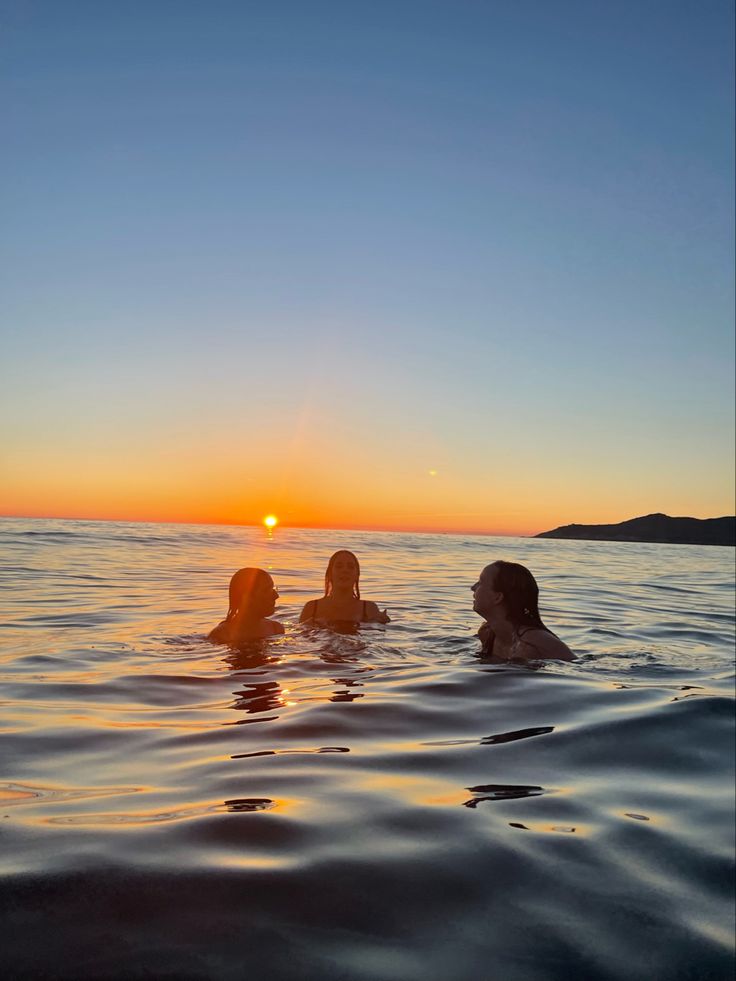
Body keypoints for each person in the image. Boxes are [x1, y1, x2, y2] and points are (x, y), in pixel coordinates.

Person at [471, 560, 573, 662]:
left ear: (497, 597)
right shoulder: (487, 633)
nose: (473, 588)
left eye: (480, 582)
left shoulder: (528, 646)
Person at [300, 550, 390, 625]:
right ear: (330, 574)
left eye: (350, 567)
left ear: (357, 575)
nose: (345, 570)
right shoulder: (312, 608)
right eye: (339, 566)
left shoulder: (369, 609)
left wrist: (383, 622)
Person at [208, 568, 284, 645]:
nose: (276, 596)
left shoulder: (276, 629)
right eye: (267, 590)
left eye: (273, 589)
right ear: (246, 597)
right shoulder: (222, 635)